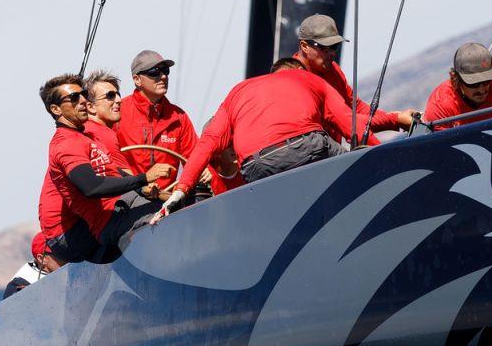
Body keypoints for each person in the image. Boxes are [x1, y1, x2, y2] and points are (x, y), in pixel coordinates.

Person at [152, 64, 371, 221]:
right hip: (306, 144)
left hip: (255, 164)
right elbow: (350, 123)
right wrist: (379, 153)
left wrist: (181, 189)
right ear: (298, 71)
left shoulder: (237, 91)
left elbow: (207, 142)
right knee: (357, 166)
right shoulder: (311, 79)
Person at [39, 73, 173, 258]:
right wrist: (144, 178)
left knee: (179, 204)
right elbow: (92, 187)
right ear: (56, 109)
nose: (83, 101)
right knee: (169, 219)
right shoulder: (66, 143)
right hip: (88, 228)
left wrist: (146, 189)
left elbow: (114, 171)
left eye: (84, 94)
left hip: (114, 210)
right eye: (74, 98)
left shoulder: (86, 136)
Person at [293, 14, 417, 142]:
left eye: (334, 46)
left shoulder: (332, 69)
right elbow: (346, 121)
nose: (332, 53)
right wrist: (395, 119)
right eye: (324, 47)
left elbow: (356, 108)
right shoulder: (293, 78)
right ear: (304, 46)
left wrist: (396, 117)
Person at [115, 50, 211, 192]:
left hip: (167, 201)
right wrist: (140, 186)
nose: (164, 76)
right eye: (154, 72)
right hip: (128, 196)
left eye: (165, 71)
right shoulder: (118, 112)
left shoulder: (178, 116)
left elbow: (194, 159)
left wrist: (205, 170)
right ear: (137, 80)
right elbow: (110, 159)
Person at [83, 69, 162, 199]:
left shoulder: (86, 130)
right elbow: (126, 180)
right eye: (110, 96)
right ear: (91, 107)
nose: (119, 100)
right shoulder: (100, 133)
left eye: (118, 94)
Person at [423, 42, 492, 131]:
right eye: (473, 84)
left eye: (486, 81)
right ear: (456, 79)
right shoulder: (440, 105)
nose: (482, 90)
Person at [0, 232, 66, 328]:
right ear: (41, 259)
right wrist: (0, 313)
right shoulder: (20, 284)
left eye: (65, 249)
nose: (66, 256)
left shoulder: (69, 265)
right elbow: (12, 309)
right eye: (59, 253)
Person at [202, 118, 245, 196]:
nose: (233, 146)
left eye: (234, 140)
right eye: (227, 143)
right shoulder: (205, 176)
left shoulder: (248, 168)